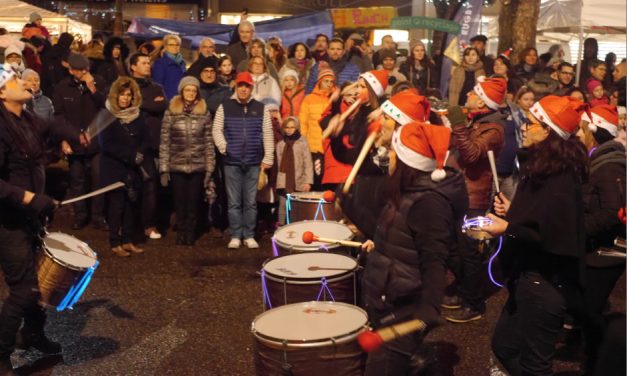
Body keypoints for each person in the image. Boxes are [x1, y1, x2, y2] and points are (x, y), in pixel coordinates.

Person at [484, 95, 589, 376]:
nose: (524, 126)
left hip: (546, 286)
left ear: (547, 131)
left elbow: (555, 237)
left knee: (536, 365)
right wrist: (513, 211)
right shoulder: (545, 169)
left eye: (530, 122)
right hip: (529, 279)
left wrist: (507, 227)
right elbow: (539, 219)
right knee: (505, 346)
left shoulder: (560, 179)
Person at [360, 121, 468, 375]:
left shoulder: (428, 203)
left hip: (405, 305)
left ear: (409, 162)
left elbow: (435, 259)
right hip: (390, 296)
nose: (389, 155)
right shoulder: (408, 191)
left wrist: (429, 306)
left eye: (394, 152)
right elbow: (395, 236)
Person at [0, 63, 82, 375]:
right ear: (2, 92)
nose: (23, 82)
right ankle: (1, 354)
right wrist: (30, 198)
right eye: (14, 79)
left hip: (31, 216)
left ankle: (32, 335)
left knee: (41, 281)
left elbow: (52, 126)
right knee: (24, 289)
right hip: (8, 221)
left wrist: (75, 134)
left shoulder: (27, 119)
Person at [442, 76, 507, 323]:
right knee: (453, 246)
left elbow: (470, 155)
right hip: (459, 193)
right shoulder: (477, 122)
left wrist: (457, 122)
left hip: (474, 199)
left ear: (482, 99)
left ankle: (474, 304)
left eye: (474, 92)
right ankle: (464, 290)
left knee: (470, 252)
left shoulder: (493, 128)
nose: (468, 93)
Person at [577, 105, 626, 373]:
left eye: (581, 128)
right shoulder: (598, 158)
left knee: (589, 310)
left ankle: (599, 359)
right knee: (586, 306)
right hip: (597, 249)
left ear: (593, 131)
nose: (577, 133)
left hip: (607, 253)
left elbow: (613, 212)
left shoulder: (609, 167)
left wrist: (578, 229)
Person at [212, 72, 274, 249]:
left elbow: (267, 134)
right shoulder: (225, 107)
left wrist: (268, 157)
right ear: (236, 87)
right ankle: (235, 235)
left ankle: (249, 235)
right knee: (233, 201)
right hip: (232, 162)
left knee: (251, 202)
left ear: (251, 88)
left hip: (254, 162)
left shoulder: (261, 108)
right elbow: (217, 130)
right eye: (240, 86)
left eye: (247, 86)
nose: (243, 89)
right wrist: (225, 148)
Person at [52, 53, 107, 230]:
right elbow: (59, 116)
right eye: (80, 70)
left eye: (86, 69)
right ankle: (80, 215)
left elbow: (106, 108)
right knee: (77, 180)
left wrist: (92, 88)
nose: (84, 73)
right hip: (74, 142)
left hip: (96, 141)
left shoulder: (98, 82)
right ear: (70, 70)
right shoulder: (62, 87)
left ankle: (98, 216)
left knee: (98, 179)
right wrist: (65, 139)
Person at [160, 76, 215, 246]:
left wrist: (209, 168)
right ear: (182, 91)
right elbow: (165, 141)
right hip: (176, 165)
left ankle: (190, 233)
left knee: (193, 202)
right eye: (187, 90)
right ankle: (181, 232)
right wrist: (164, 168)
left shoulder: (204, 113)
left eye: (193, 90)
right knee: (179, 202)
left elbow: (208, 142)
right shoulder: (171, 112)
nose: (190, 93)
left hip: (197, 165)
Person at [100, 77, 150, 256]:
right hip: (114, 167)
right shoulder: (106, 115)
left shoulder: (138, 115)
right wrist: (130, 156)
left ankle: (128, 240)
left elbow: (145, 138)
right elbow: (106, 144)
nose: (125, 98)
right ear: (115, 96)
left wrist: (140, 154)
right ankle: (115, 241)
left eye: (128, 95)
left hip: (133, 168)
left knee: (131, 205)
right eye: (122, 94)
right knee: (116, 206)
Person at [128, 52, 167, 240]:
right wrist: (150, 105)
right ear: (133, 67)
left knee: (151, 184)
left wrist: (142, 105)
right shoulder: (126, 86)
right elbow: (127, 107)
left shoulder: (157, 87)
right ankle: (129, 225)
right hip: (130, 143)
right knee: (131, 186)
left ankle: (149, 225)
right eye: (143, 62)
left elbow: (162, 106)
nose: (147, 65)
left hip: (152, 144)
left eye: (148, 62)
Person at [299, 66, 336, 189]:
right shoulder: (309, 99)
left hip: (331, 146)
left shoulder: (335, 99)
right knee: (316, 177)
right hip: (315, 147)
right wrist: (304, 141)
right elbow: (303, 122)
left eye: (331, 81)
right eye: (326, 81)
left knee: (329, 179)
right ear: (320, 81)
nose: (329, 84)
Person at [275, 117, 313, 224]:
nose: (289, 130)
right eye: (287, 127)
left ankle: (297, 227)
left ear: (297, 128)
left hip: (299, 180)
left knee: (297, 206)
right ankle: (281, 227)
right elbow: (279, 165)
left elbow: (308, 162)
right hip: (284, 180)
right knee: (283, 204)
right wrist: (279, 181)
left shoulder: (302, 142)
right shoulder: (280, 144)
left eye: (292, 127)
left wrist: (308, 181)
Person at [152, 34, 186, 100]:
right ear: (165, 46)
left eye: (177, 45)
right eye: (171, 45)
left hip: (182, 98)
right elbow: (158, 83)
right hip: (169, 99)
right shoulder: (160, 63)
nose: (175, 47)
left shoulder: (182, 63)